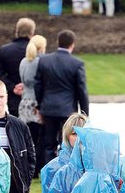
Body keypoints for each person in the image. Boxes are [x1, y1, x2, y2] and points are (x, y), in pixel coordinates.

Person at [35, 30, 90, 166]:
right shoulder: (76, 63)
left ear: (58, 42)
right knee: (67, 142)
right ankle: (66, 168)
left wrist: (40, 106)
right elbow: (82, 91)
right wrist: (84, 114)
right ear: (72, 44)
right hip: (67, 110)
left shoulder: (44, 60)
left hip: (48, 108)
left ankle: (49, 170)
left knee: (48, 144)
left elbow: (38, 85)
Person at [17, 34, 46, 171]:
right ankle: (36, 167)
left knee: (27, 138)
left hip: (24, 102)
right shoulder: (40, 62)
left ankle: (27, 165)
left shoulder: (24, 61)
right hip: (35, 102)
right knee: (39, 138)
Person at [0, 18, 34, 117]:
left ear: (17, 31)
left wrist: (13, 87)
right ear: (32, 32)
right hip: (32, 99)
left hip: (12, 98)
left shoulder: (5, 50)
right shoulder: (36, 52)